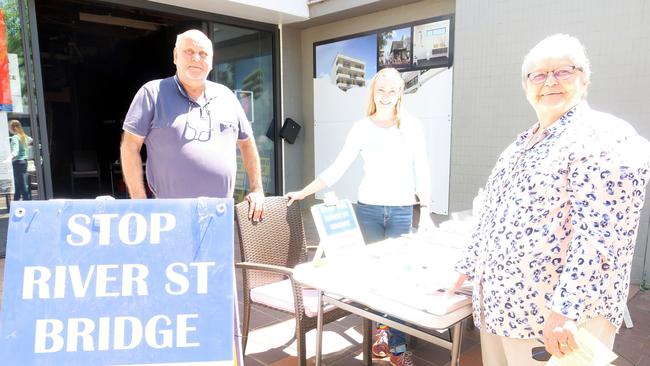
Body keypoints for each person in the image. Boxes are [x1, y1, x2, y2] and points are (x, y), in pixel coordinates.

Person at [450, 34, 650, 365]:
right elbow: (491, 216)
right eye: (539, 74)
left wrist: (565, 312)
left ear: (584, 79)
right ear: (526, 85)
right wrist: (465, 269)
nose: (550, 82)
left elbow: (601, 236)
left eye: (563, 71)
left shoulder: (602, 137)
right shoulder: (521, 144)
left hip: (553, 324)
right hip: (501, 314)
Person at [286, 67, 432, 366]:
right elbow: (337, 168)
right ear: (373, 93)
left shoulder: (412, 127)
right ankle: (382, 336)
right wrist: (304, 192)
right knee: (375, 277)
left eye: (393, 91)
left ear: (400, 94)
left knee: (399, 276)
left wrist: (426, 211)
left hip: (403, 211)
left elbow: (423, 169)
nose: (387, 96)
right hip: (368, 211)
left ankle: (398, 344)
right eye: (382, 90)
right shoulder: (361, 128)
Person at [120, 29, 264, 221]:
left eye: (203, 54)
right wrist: (139, 202)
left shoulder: (227, 97)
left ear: (211, 62)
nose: (196, 58)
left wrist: (257, 189)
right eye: (189, 51)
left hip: (219, 215)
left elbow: (247, 143)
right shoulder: (152, 94)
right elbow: (130, 146)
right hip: (168, 216)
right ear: (175, 56)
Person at [9, 120, 33, 201]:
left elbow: (15, 152)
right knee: (18, 184)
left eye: (9, 127)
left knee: (22, 184)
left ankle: (27, 202)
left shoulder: (15, 138)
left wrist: (8, 158)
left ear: (13, 128)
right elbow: (31, 140)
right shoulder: (24, 136)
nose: (9, 129)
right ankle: (16, 201)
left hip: (18, 162)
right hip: (24, 162)